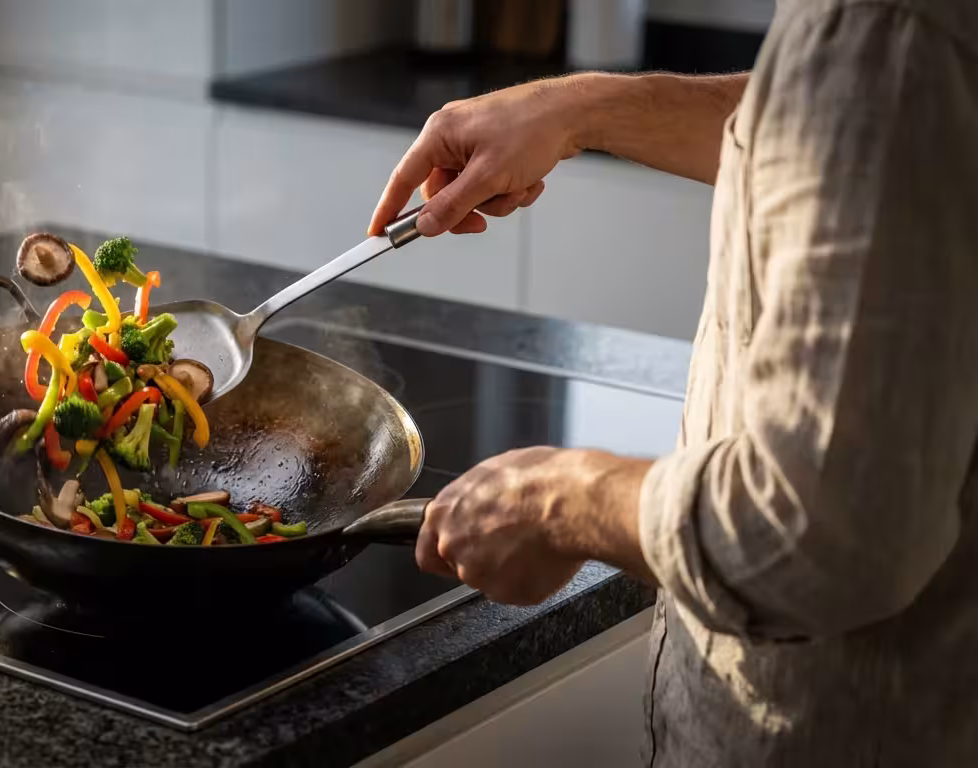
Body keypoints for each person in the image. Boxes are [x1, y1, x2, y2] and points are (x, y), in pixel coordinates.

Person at [369, 0, 978, 764]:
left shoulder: (887, 23)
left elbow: (820, 527)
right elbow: (843, 124)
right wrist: (579, 109)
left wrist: (558, 498)